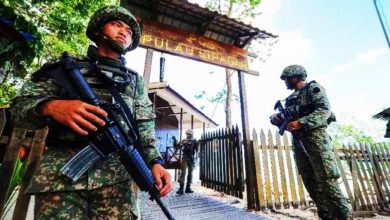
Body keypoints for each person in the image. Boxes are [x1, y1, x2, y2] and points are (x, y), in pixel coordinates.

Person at [10, 5, 172, 219]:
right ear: (97, 30)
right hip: (61, 181)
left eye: (129, 31)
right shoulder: (65, 68)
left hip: (116, 185)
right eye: (116, 24)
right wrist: (51, 106)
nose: (124, 32)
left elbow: (144, 125)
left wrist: (155, 162)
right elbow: (19, 107)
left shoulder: (134, 81)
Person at [270, 65, 352, 220]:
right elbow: (289, 120)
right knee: (311, 183)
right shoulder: (291, 99)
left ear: (296, 77)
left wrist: (301, 122)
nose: (285, 82)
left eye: (287, 78)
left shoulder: (313, 89)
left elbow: (324, 110)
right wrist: (277, 119)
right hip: (300, 143)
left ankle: (344, 217)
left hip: (317, 141)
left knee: (328, 183)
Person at [176, 129, 199, 195]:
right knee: (183, 173)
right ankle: (181, 189)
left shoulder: (195, 141)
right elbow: (178, 147)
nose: (187, 135)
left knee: (190, 174)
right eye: (186, 134)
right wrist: (181, 143)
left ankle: (188, 188)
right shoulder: (184, 140)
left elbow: (197, 150)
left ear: (191, 134)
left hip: (191, 158)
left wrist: (196, 157)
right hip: (185, 158)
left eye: (188, 134)